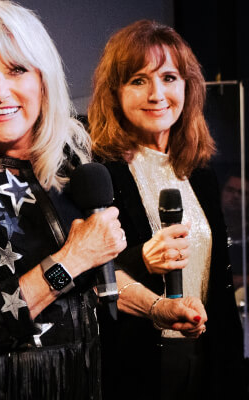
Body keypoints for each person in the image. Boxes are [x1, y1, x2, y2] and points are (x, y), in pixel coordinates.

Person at [0, 1, 127, 398]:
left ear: (43, 79)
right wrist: (72, 258)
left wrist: (155, 307)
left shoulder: (70, 160)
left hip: (76, 380)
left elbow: (95, 271)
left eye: (16, 70)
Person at [88, 20, 248, 399]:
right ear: (116, 92)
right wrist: (142, 258)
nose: (157, 93)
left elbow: (219, 278)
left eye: (169, 77)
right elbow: (90, 274)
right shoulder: (99, 170)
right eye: (139, 80)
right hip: (136, 360)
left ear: (187, 86)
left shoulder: (200, 170)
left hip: (209, 353)